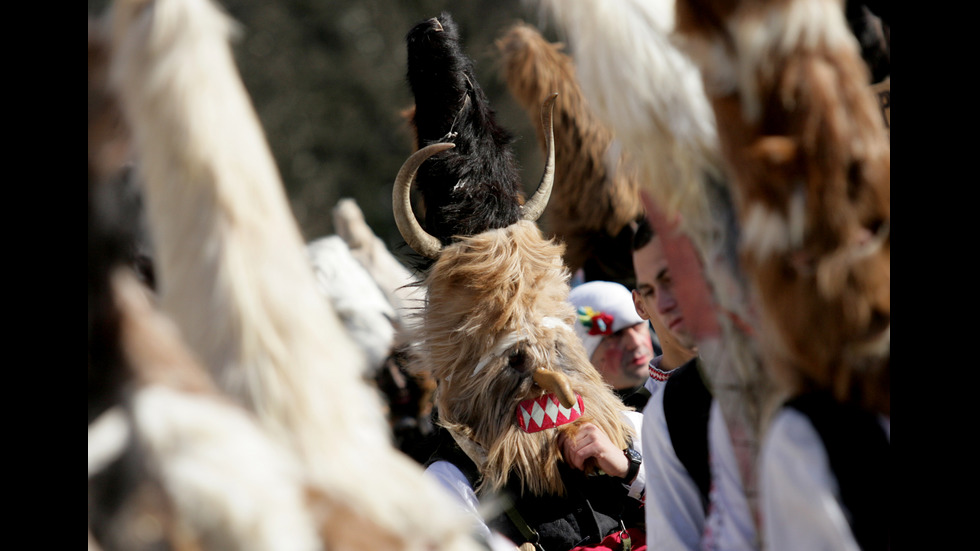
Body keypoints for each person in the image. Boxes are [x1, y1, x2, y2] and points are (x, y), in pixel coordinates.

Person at [630, 213, 758, 551]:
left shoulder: (805, 360)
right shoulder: (667, 411)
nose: (665, 303)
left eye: (672, 278)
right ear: (639, 303)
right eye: (650, 291)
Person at [569, 280, 659, 410]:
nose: (635, 343)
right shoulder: (586, 424)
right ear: (584, 358)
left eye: (638, 326)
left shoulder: (685, 384)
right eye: (615, 335)